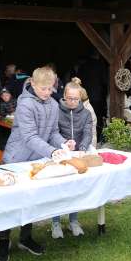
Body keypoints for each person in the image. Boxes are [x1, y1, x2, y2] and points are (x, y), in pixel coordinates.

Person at [0, 66, 74, 261]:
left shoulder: (54, 104)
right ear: (33, 84)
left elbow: (52, 133)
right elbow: (30, 137)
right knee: (9, 202)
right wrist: (51, 151)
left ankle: (25, 238)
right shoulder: (25, 105)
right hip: (16, 159)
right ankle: (3, 241)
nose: (47, 93)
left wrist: (62, 143)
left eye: (50, 89)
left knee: (30, 200)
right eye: (43, 89)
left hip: (35, 160)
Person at [51, 78, 94, 239]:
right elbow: (53, 131)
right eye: (70, 98)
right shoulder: (56, 110)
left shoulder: (86, 113)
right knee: (57, 189)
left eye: (76, 99)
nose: (73, 102)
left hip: (77, 154)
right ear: (64, 96)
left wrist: (82, 148)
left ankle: (73, 220)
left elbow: (88, 133)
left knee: (74, 189)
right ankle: (55, 222)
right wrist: (62, 146)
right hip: (60, 153)